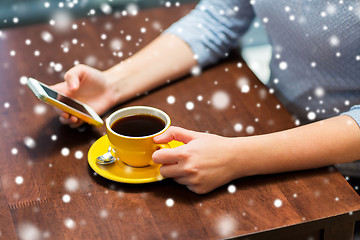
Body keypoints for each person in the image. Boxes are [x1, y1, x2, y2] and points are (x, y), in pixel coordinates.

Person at [52, 0, 360, 194]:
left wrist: (239, 158)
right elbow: (217, 19)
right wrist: (112, 84)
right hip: (276, 118)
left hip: (342, 174)